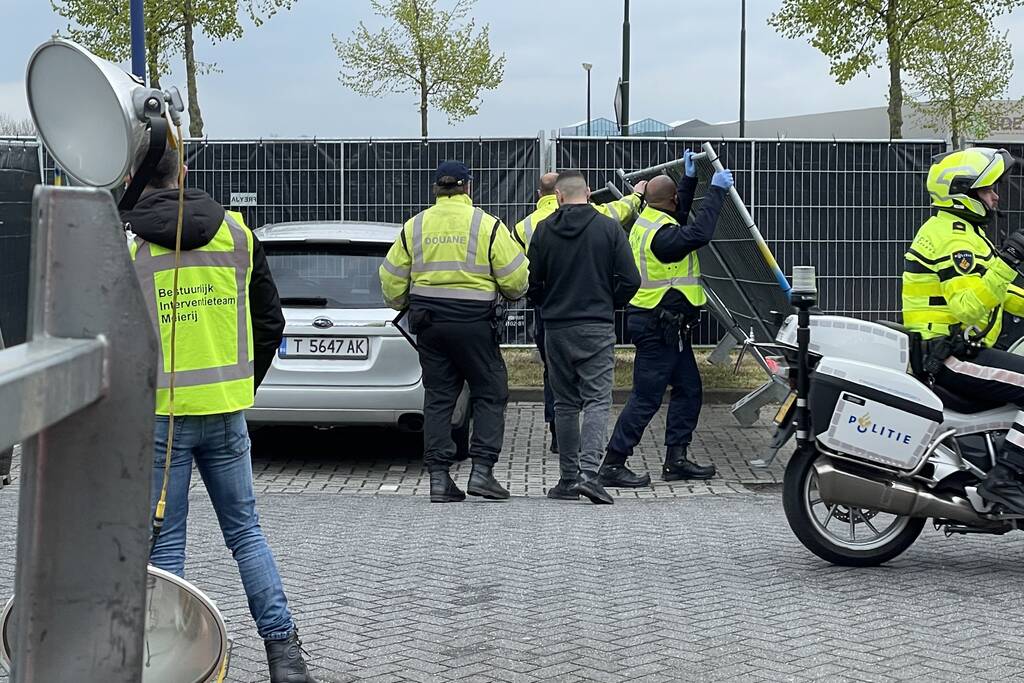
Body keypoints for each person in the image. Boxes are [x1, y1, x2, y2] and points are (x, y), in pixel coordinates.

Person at [123, 140, 317, 682]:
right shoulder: (238, 233)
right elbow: (270, 322)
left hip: (161, 415)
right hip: (226, 413)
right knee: (246, 532)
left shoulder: (129, 245)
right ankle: (285, 655)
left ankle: (168, 664)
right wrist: (240, 386)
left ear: (135, 177)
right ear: (184, 170)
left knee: (167, 542)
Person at [380, 161, 529, 503]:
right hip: (475, 323)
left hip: (429, 323)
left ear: (436, 189)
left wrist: (405, 300)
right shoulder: (486, 225)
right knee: (490, 392)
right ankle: (482, 472)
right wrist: (507, 292)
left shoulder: (414, 226)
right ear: (468, 187)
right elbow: (516, 279)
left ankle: (438, 479)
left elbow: (390, 280)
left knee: (438, 398)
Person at [903, 147, 1024, 514]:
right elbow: (967, 305)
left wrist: (1004, 270)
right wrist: (1008, 261)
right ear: (965, 192)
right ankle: (1005, 478)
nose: (996, 196)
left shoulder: (962, 232)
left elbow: (1002, 293)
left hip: (957, 350)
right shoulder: (954, 238)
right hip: (950, 356)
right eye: (988, 189)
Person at [601, 151, 733, 488]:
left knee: (689, 390)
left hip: (669, 327)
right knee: (646, 397)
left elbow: (679, 212)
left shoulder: (651, 218)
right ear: (669, 200)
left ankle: (677, 460)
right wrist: (716, 191)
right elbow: (697, 234)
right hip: (658, 327)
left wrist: (688, 182)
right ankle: (613, 464)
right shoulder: (662, 236)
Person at [513, 173, 648, 455]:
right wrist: (609, 303)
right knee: (597, 400)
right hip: (596, 322)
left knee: (564, 401)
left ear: (557, 196)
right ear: (588, 192)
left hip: (555, 324)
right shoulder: (607, 224)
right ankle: (590, 473)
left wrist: (545, 302)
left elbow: (529, 281)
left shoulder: (537, 228)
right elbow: (631, 279)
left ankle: (567, 476)